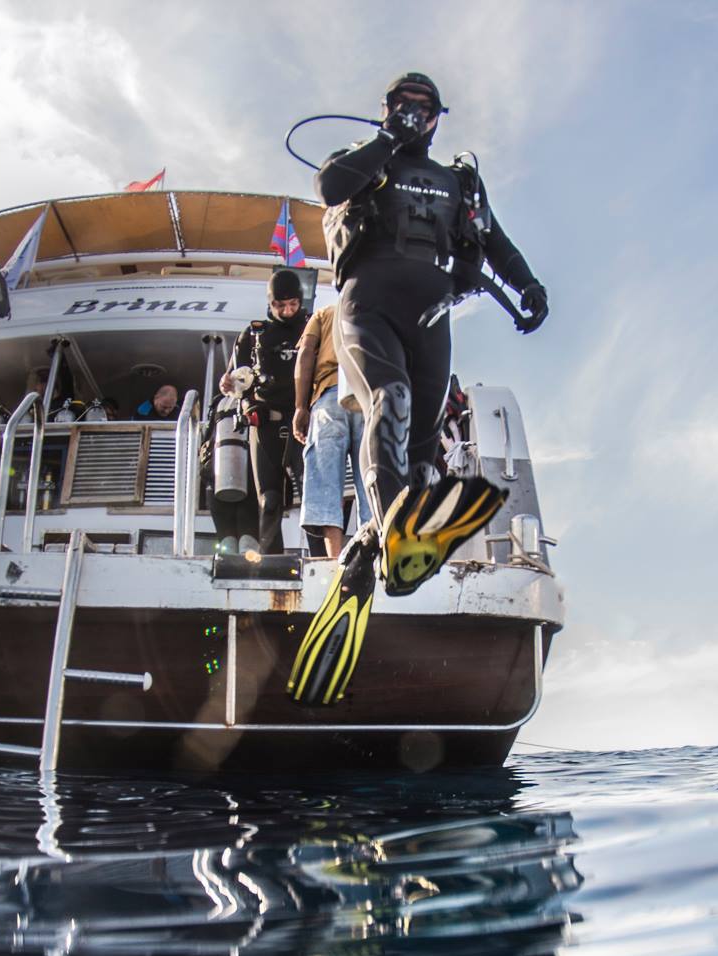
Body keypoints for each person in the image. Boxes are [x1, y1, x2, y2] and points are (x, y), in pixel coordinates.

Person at [288, 72, 549, 708]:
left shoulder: (459, 181)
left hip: (432, 311)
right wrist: (386, 140)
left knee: (426, 449)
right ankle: (389, 526)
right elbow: (328, 188)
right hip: (368, 300)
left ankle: (375, 548)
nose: (414, 115)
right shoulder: (362, 163)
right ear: (388, 110)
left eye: (424, 109)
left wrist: (529, 285)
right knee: (391, 401)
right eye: (404, 106)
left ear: (439, 118)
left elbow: (492, 242)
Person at [211, 269, 309, 555]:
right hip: (264, 425)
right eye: (280, 305)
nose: (287, 310)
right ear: (270, 304)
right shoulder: (254, 334)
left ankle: (320, 556)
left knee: (312, 496)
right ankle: (272, 560)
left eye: (292, 303)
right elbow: (232, 380)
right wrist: (227, 382)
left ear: (300, 301)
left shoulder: (312, 326)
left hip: (303, 424)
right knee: (270, 499)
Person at [291, 300, 370, 557]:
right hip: (368, 395)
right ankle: (373, 558)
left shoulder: (325, 313)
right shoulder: (377, 306)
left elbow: (305, 354)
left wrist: (301, 407)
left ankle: (333, 559)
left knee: (326, 481)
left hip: (329, 396)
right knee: (371, 482)